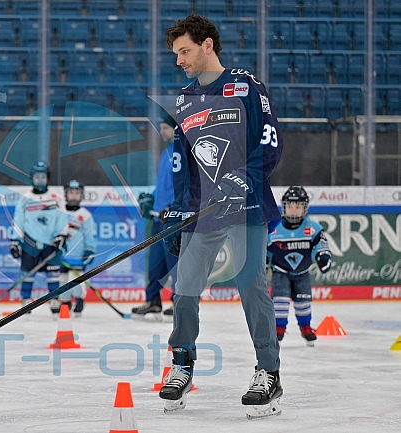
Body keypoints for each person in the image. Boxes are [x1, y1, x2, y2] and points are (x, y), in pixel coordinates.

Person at [160, 15, 284, 419]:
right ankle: (182, 364)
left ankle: (268, 371)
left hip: (245, 207)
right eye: (176, 53)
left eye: (185, 51)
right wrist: (180, 208)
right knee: (185, 287)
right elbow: (184, 163)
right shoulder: (184, 99)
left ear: (207, 45)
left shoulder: (246, 85)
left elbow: (269, 142)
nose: (179, 60)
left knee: (251, 288)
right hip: (204, 212)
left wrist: (240, 180)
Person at [268, 186, 332, 346]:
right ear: (284, 207)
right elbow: (266, 249)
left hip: (302, 273)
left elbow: (321, 244)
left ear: (305, 208)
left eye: (298, 207)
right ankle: (278, 329)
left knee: (303, 302)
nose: (294, 210)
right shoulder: (274, 228)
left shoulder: (313, 228)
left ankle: (305, 328)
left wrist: (323, 257)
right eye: (290, 206)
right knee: (280, 301)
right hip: (280, 272)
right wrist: (263, 264)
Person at [133, 117, 178, 321]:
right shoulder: (164, 153)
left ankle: (179, 303)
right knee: (155, 262)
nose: (162, 132)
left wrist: (175, 208)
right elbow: (163, 187)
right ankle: (153, 301)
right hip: (158, 216)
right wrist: (151, 198)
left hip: (173, 217)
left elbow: (185, 186)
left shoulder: (182, 153)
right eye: (160, 128)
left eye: (165, 128)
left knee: (175, 262)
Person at [9, 161, 68, 313]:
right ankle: (26, 299)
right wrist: (15, 241)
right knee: (28, 272)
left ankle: (54, 300)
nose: (40, 180)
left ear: (48, 178)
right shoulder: (25, 198)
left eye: (43, 177)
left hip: (51, 241)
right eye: (37, 177)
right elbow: (18, 221)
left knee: (53, 272)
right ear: (32, 179)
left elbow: (62, 218)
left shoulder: (56, 197)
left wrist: (61, 235)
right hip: (30, 241)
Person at [57, 180, 97, 317]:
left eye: (76, 193)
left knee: (77, 279)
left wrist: (89, 250)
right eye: (71, 193)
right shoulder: (59, 213)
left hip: (78, 255)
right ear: (66, 195)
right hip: (62, 255)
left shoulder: (85, 215)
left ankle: (79, 300)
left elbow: (90, 234)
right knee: (63, 279)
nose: (74, 196)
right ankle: (65, 301)